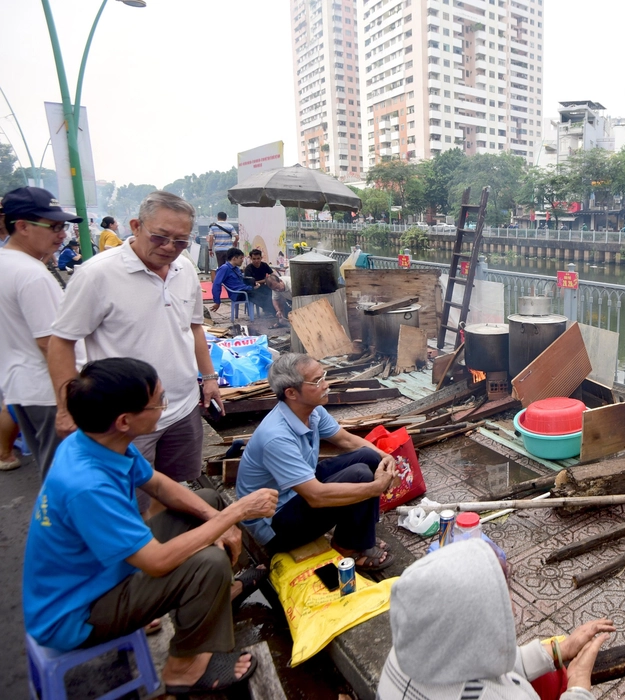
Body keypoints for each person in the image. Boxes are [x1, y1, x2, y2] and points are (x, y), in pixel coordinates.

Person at [23, 357, 278, 694]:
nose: (163, 407)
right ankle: (183, 668)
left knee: (207, 501)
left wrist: (219, 517)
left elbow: (158, 484)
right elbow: (156, 561)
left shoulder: (95, 442)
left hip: (101, 573)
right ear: (125, 420)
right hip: (75, 613)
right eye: (158, 401)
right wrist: (236, 514)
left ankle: (218, 596)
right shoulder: (87, 485)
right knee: (208, 562)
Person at [49, 190, 223, 512]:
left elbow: (195, 327)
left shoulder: (184, 269)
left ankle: (166, 550)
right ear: (136, 226)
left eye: (181, 241)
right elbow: (61, 341)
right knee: (131, 502)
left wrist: (209, 377)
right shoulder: (97, 274)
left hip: (182, 408)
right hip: (125, 418)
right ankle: (146, 558)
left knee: (173, 489)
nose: (170, 248)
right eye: (161, 237)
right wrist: (65, 407)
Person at [378, 539, 614, 699]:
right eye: (501, 596)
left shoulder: (406, 653)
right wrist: (578, 685)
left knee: (547, 677)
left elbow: (485, 660)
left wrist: (560, 649)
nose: (511, 609)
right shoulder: (495, 695)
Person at [235, 353, 399, 572]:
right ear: (291, 393)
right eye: (317, 381)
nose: (326, 385)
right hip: (276, 524)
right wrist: (376, 487)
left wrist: (385, 457)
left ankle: (358, 536)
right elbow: (316, 496)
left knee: (368, 457)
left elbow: (346, 440)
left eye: (324, 376)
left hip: (297, 492)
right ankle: (349, 547)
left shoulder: (312, 412)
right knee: (361, 476)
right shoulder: (276, 437)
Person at [0, 186, 84, 477]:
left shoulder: (7, 263)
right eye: (54, 226)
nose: (62, 234)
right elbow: (51, 344)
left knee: (54, 470)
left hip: (21, 387)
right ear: (21, 226)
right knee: (66, 477)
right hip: (49, 393)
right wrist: (68, 404)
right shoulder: (31, 274)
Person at [210, 247, 259, 313]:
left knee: (264, 291)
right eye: (241, 258)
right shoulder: (224, 268)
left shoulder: (236, 268)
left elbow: (241, 281)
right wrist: (217, 302)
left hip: (244, 290)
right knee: (260, 296)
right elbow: (216, 284)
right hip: (238, 294)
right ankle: (274, 311)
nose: (242, 260)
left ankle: (274, 311)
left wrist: (253, 285)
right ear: (234, 258)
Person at [244, 249, 277, 317]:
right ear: (251, 258)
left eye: (258, 258)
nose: (256, 261)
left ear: (261, 258)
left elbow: (273, 275)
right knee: (262, 297)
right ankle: (269, 311)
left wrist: (265, 280)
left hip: (264, 286)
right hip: (253, 288)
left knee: (273, 293)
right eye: (254, 259)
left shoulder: (264, 265)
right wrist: (265, 280)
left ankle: (276, 310)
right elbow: (250, 282)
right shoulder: (248, 269)